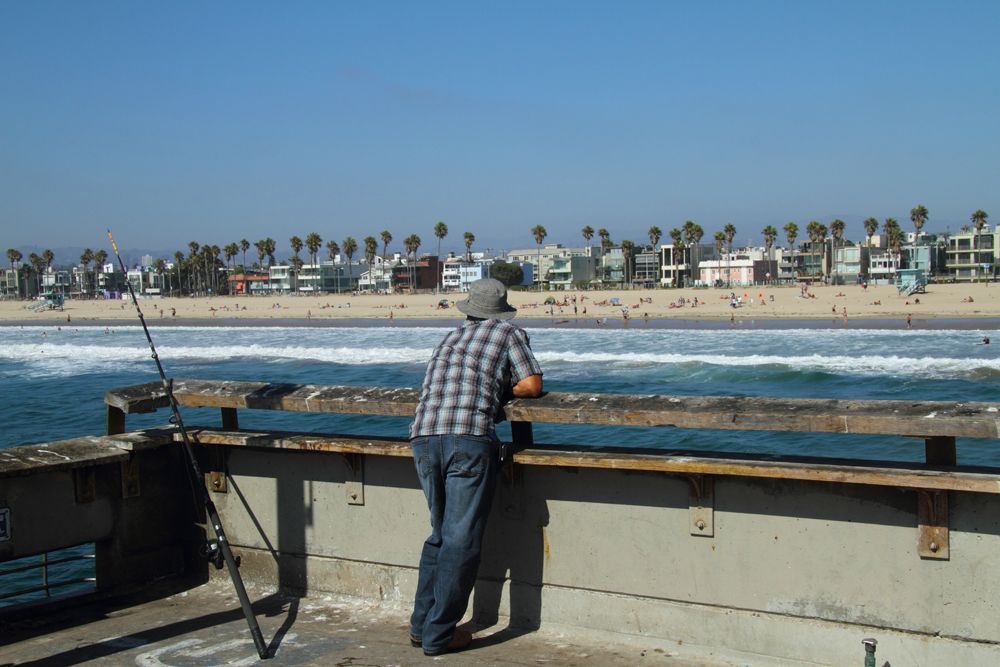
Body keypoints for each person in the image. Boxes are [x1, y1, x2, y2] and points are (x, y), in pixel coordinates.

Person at [408, 278, 543, 656]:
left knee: (439, 534)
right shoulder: (507, 332)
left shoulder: (449, 339)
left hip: (423, 437)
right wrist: (503, 386)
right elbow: (531, 385)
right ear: (501, 310)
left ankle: (421, 625)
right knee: (461, 540)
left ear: (468, 309)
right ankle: (439, 634)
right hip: (467, 438)